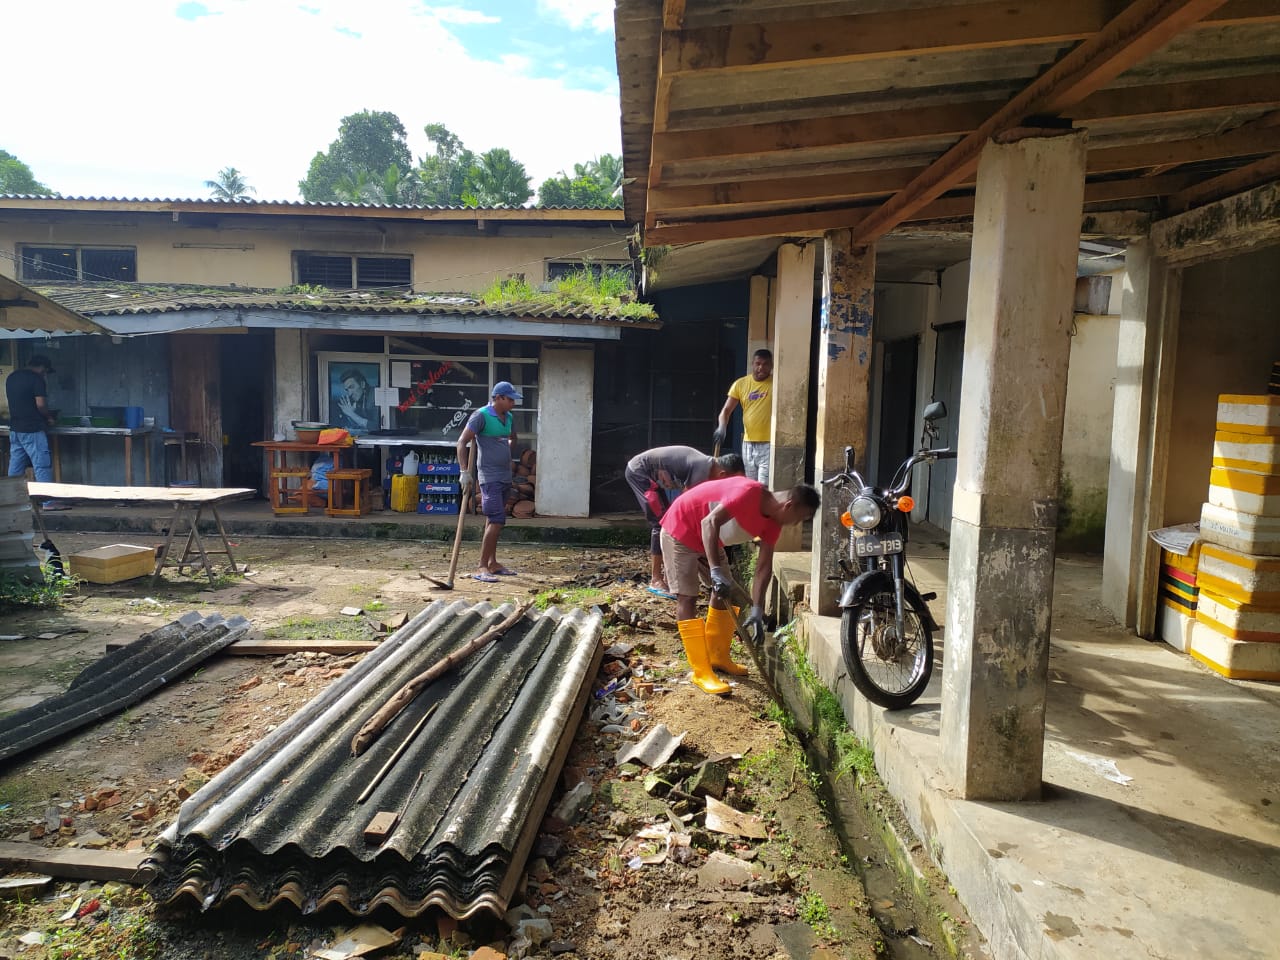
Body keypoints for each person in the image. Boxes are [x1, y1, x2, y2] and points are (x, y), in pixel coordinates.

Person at [660, 475, 819, 696]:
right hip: (681, 529)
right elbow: (709, 522)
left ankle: (717, 656)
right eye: (797, 518)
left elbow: (763, 568)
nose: (795, 524)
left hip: (709, 539)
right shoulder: (748, 493)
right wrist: (715, 571)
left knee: (726, 592)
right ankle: (701, 672)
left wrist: (757, 608)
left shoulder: (773, 524)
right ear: (789, 505)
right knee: (688, 597)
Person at [625, 445, 744, 597]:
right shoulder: (701, 472)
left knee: (671, 521)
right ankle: (656, 579)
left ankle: (670, 575)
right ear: (722, 474)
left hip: (653, 474)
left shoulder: (708, 468)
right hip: (639, 472)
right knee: (661, 523)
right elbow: (682, 506)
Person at [457, 381, 522, 583]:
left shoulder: (508, 417)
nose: (513, 403)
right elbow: (461, 442)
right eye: (510, 399)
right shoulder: (481, 415)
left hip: (504, 476)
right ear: (499, 398)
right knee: (496, 519)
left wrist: (504, 451)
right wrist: (464, 471)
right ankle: (482, 566)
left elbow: (513, 438)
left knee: (493, 521)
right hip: (489, 477)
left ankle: (493, 563)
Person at [714, 348, 773, 485]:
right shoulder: (740, 384)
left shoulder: (776, 385)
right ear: (752, 364)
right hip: (748, 443)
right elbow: (726, 411)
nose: (761, 368)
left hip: (769, 444)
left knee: (763, 486)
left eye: (765, 364)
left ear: (771, 366)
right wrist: (722, 427)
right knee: (750, 484)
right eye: (758, 363)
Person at [6, 355, 59, 505]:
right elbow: (40, 404)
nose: (45, 374)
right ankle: (48, 502)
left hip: (15, 429)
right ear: (43, 368)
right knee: (41, 465)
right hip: (32, 429)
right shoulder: (37, 379)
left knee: (15, 467)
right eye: (46, 372)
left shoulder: (12, 377)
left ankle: (11, 501)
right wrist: (49, 417)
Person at [333, 367, 378, 433]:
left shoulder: (374, 396)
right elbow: (362, 425)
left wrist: (352, 414)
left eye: (352, 387)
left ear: (362, 384)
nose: (349, 393)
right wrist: (350, 416)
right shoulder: (359, 399)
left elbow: (377, 427)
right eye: (347, 390)